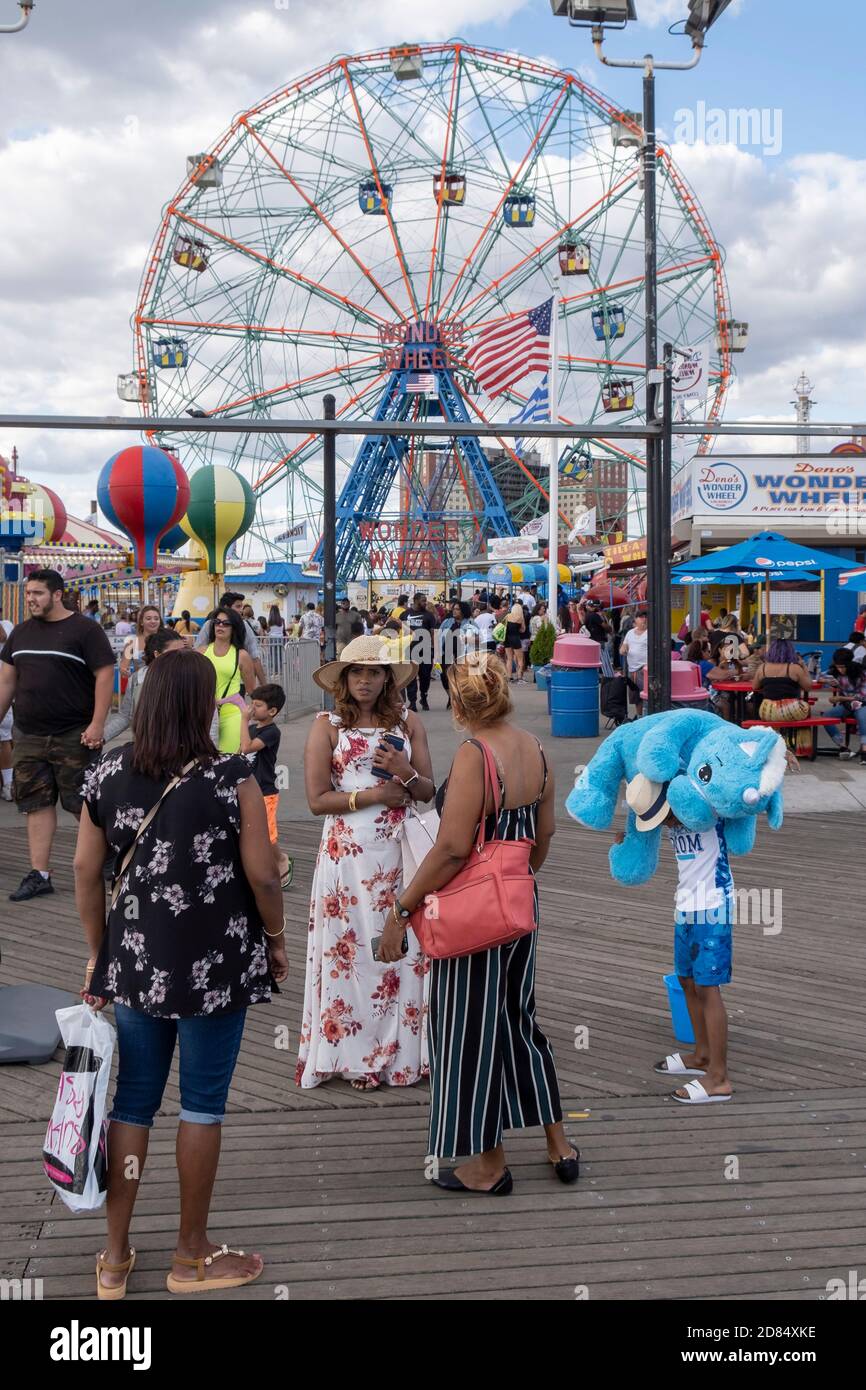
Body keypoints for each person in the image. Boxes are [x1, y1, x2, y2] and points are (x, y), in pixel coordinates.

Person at [75, 647, 288, 1298]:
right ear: (203, 707)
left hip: (138, 962)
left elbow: (86, 871)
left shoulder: (106, 772)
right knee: (201, 1105)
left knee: (133, 1103)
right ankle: (190, 1257)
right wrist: (276, 940)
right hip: (217, 962)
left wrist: (98, 949)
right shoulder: (233, 776)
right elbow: (262, 874)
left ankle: (114, 1258)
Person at [379, 655, 576, 1193]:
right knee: (519, 1021)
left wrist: (402, 909)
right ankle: (559, 1143)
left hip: (471, 917)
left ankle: (488, 1166)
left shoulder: (474, 754)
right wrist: (514, 879)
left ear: (460, 708)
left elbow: (451, 848)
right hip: (518, 907)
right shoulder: (536, 749)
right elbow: (545, 833)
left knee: (468, 1031)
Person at [298, 636, 435, 1091]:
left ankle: (401, 1054)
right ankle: (354, 1054)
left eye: (374, 672)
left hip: (401, 852)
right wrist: (375, 794)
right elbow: (317, 799)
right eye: (356, 672)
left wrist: (405, 770)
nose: (365, 680)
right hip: (347, 854)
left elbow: (428, 791)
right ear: (342, 678)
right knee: (351, 950)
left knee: (402, 946)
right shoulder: (327, 726)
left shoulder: (409, 722)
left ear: (387, 678)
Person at [0, 570, 115, 902]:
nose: (31, 599)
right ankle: (40, 873)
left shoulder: (85, 631)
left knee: (81, 803)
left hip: (73, 734)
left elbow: (104, 675)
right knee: (35, 803)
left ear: (57, 594)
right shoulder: (20, 634)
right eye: (28, 594)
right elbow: (7, 682)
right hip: (29, 735)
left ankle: (107, 859)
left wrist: (97, 724)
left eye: (37, 593)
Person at [651, 806, 735, 1104]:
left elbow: (737, 784)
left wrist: (778, 757)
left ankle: (719, 1077)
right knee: (686, 980)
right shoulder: (668, 818)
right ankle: (701, 1055)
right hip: (684, 903)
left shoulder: (709, 807)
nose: (668, 822)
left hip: (713, 905)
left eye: (667, 813)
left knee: (707, 988)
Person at [239, 682, 292, 887]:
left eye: (258, 705)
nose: (252, 709)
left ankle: (280, 859)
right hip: (249, 788)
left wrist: (243, 720)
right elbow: (239, 752)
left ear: (272, 711)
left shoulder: (271, 732)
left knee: (267, 835)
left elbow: (247, 748)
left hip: (266, 790)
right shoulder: (252, 728)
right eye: (253, 704)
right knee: (249, 830)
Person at [202, 608, 256, 753]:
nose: (220, 626)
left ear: (234, 628)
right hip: (205, 715)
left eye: (226, 623)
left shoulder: (242, 655)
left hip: (233, 714)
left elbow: (252, 691)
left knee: (229, 761)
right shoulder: (201, 652)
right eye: (217, 622)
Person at [752, 639, 813, 755]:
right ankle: (801, 747)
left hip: (767, 711)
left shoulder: (763, 668)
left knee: (776, 717)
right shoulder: (794, 668)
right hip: (791, 710)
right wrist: (804, 666)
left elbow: (754, 686)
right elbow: (808, 687)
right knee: (807, 708)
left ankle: (775, 744)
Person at [195, 592, 266, 685]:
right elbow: (198, 654)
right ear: (226, 607)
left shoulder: (244, 627)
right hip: (210, 682)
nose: (241, 610)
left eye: (241, 607)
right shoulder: (209, 625)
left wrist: (265, 687)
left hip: (236, 683)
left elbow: (254, 657)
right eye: (238, 606)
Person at [823, 648, 866, 763]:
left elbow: (862, 696)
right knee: (826, 717)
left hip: (862, 704)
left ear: (849, 664)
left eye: (842, 667)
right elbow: (820, 677)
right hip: (846, 705)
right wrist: (828, 681)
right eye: (838, 666)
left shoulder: (861, 672)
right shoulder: (835, 671)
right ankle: (842, 746)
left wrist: (840, 698)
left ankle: (864, 750)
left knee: (863, 718)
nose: (840, 669)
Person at [439, 601, 478, 709]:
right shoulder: (447, 622)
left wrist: (468, 639)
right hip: (446, 655)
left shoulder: (471, 622)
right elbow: (438, 637)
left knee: (460, 679)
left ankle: (458, 700)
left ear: (463, 611)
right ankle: (451, 697)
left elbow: (480, 639)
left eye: (457, 609)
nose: (454, 611)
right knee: (444, 678)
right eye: (454, 609)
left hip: (463, 655)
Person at [405, 594, 437, 711]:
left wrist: (434, 650)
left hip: (426, 651)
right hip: (409, 651)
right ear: (415, 601)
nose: (425, 603)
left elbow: (433, 634)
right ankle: (412, 702)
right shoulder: (405, 614)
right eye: (423, 601)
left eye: (425, 601)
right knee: (411, 677)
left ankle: (424, 696)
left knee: (425, 677)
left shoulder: (429, 616)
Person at [120, 605, 163, 680]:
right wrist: (124, 670)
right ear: (141, 622)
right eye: (148, 618)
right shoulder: (131, 641)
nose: (153, 621)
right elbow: (124, 666)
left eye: (156, 618)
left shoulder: (167, 639)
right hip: (140, 687)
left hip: (163, 685)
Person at [620, 612, 648, 718]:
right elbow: (623, 647)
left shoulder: (650, 633)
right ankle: (639, 716)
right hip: (632, 669)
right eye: (641, 617)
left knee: (644, 694)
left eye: (646, 617)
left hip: (644, 669)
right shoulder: (630, 633)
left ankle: (645, 716)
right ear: (635, 620)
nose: (644, 620)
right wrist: (623, 650)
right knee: (635, 696)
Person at [0, 615, 14, 801]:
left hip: (3, 689)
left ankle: (9, 783)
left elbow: (3, 636)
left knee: (4, 738)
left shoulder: (6, 625)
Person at [503, 598, 526, 682]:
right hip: (515, 638)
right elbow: (523, 630)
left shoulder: (507, 615)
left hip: (507, 638)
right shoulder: (520, 618)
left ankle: (509, 676)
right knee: (520, 659)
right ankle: (519, 676)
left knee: (509, 658)